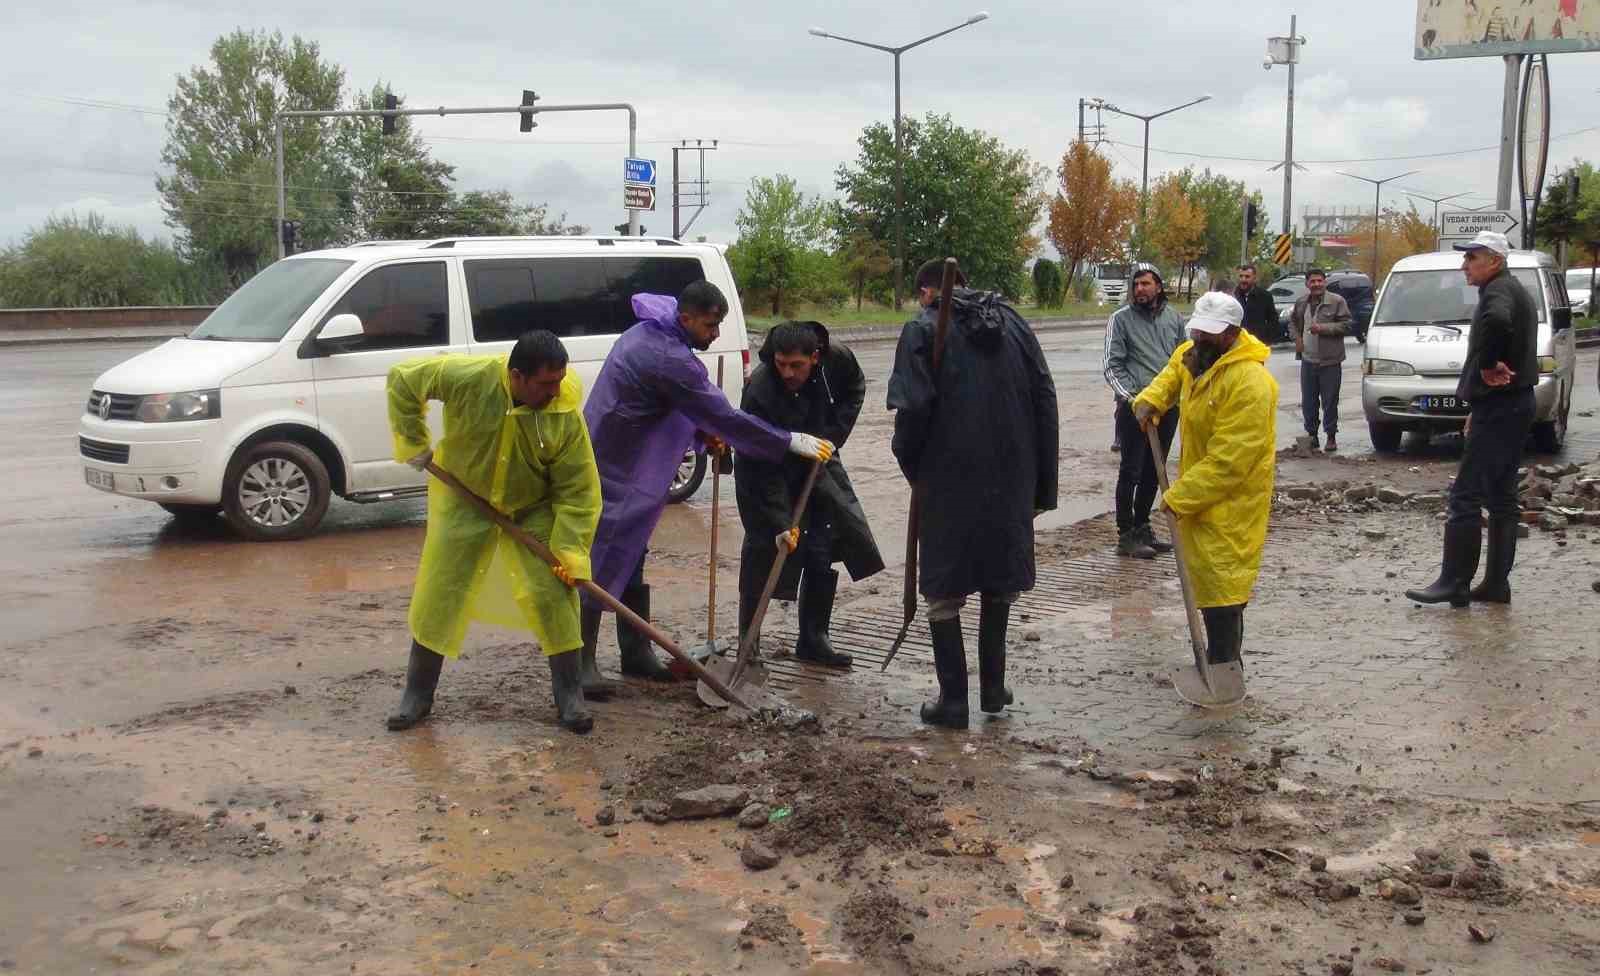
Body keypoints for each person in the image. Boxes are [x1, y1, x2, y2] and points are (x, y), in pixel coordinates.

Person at [578, 281, 835, 694]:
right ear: (686, 318)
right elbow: (720, 413)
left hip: (630, 450)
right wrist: (787, 440)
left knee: (632, 551)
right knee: (602, 554)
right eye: (711, 325)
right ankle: (581, 664)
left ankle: (635, 652)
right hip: (616, 462)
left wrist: (704, 432)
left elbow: (687, 407)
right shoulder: (667, 357)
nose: (716, 334)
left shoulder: (656, 328)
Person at [385, 330, 603, 735]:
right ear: (516, 376)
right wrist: (412, 439)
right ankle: (417, 694)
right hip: (464, 499)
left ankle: (570, 696)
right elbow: (403, 377)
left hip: (530, 508)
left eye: (559, 381)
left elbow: (578, 490)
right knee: (440, 590)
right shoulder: (470, 377)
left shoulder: (563, 412)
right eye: (546, 384)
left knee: (554, 593)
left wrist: (570, 550)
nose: (555, 392)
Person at [888, 260, 1059, 729]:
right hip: (1013, 473)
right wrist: (1043, 485)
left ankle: (954, 699)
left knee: (945, 586)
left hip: (948, 475)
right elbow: (1045, 397)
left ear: (928, 293)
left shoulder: (924, 328)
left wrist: (912, 467)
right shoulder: (1015, 324)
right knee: (997, 578)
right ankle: (991, 689)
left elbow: (911, 409)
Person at [1131, 292, 1279, 700]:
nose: (1199, 336)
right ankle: (1218, 664)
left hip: (1233, 502)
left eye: (1208, 333)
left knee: (1225, 589)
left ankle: (1225, 670)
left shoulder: (1251, 383)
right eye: (1196, 329)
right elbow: (1171, 375)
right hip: (1199, 495)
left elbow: (1231, 461)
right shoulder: (1195, 354)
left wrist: (1179, 497)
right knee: (1205, 584)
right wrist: (1150, 401)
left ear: (1232, 333)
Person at [736, 321, 884, 666]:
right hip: (765, 467)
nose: (787, 372)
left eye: (796, 365)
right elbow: (758, 463)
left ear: (815, 358)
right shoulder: (760, 389)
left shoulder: (838, 362)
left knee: (821, 544)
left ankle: (814, 638)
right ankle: (748, 644)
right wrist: (781, 520)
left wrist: (833, 436)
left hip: (817, 459)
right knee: (765, 548)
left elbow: (855, 389)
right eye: (780, 363)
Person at [1405, 231, 1538, 608]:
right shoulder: (1512, 288)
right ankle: (1496, 585)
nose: (1465, 265)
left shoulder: (1498, 292)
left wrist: (1486, 365)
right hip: (1511, 404)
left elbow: (1497, 322)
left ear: (1494, 260)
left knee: (1465, 495)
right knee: (1501, 497)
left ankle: (1454, 582)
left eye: (1472, 258)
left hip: (1500, 406)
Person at [1103, 264, 1186, 560]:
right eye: (1136, 284)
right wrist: (1134, 399)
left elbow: (1184, 360)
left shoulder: (1174, 319)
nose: (1140, 289)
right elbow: (1113, 365)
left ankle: (1143, 526)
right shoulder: (1120, 320)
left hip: (1167, 407)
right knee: (1131, 470)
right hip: (1134, 408)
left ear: (1159, 286)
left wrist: (1176, 395)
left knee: (1156, 470)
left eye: (1146, 283)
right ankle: (1126, 535)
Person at [1290, 269, 1353, 453]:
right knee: (1309, 402)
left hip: (1330, 361)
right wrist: (1297, 338)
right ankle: (1312, 437)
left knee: (1330, 401)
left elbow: (1347, 324)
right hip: (1308, 360)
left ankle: (1331, 436)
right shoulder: (1302, 302)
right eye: (1312, 281)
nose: (1316, 284)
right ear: (1307, 284)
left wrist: (1323, 328)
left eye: (1319, 281)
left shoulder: (1336, 301)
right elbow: (1292, 323)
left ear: (1325, 282)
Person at [1234, 264, 1279, 345]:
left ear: (1254, 278)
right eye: (1241, 276)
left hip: (1258, 344)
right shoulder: (1233, 296)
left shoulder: (1265, 296)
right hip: (1238, 344)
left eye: (1247, 277)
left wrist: (1267, 340)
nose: (1243, 279)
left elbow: (1273, 320)